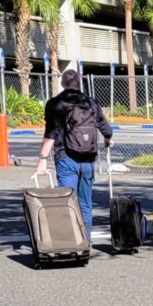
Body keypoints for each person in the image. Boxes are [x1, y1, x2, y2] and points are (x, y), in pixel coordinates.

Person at [36, 69, 113, 240]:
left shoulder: (56, 103)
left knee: (68, 202)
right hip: (88, 161)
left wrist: (42, 160)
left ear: (62, 84)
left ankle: (71, 242)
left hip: (66, 159)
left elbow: (51, 133)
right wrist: (108, 139)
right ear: (79, 83)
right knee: (85, 204)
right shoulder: (91, 103)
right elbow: (106, 128)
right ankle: (86, 242)